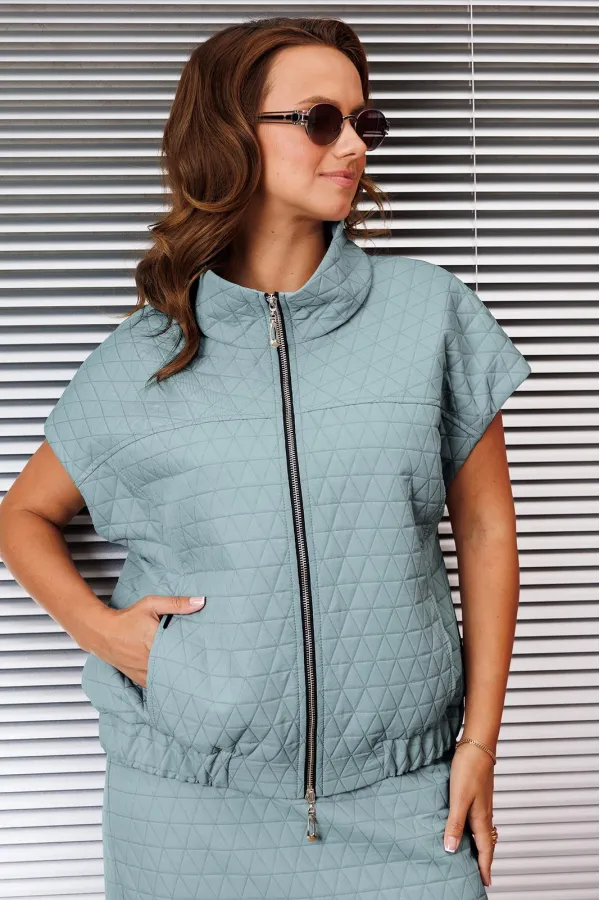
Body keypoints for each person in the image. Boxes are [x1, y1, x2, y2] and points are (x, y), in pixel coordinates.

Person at [0, 16, 532, 900]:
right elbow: (21, 515)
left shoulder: (428, 315)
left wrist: (479, 744)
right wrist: (104, 633)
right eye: (320, 120)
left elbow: (485, 530)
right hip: (186, 804)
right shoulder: (145, 356)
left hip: (404, 793)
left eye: (364, 122)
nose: (353, 146)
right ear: (230, 135)